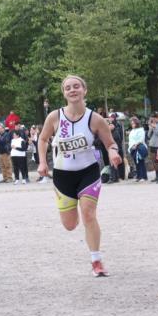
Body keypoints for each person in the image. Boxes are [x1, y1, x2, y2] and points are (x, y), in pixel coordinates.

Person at [37, 75, 123, 277]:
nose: (72, 90)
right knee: (69, 225)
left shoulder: (95, 119)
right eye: (68, 88)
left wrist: (113, 152)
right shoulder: (55, 117)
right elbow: (42, 140)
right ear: (64, 93)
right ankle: (72, 214)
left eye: (76, 86)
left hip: (88, 172)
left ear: (85, 90)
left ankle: (96, 261)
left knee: (89, 214)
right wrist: (42, 162)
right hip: (63, 175)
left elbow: (110, 143)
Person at [127, 116, 148, 182]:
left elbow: (141, 139)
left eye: (133, 123)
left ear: (137, 123)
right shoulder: (132, 130)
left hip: (139, 147)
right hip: (132, 148)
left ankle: (143, 176)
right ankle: (139, 176)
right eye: (131, 123)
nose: (132, 124)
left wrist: (136, 145)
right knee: (136, 163)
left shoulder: (141, 130)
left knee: (141, 162)